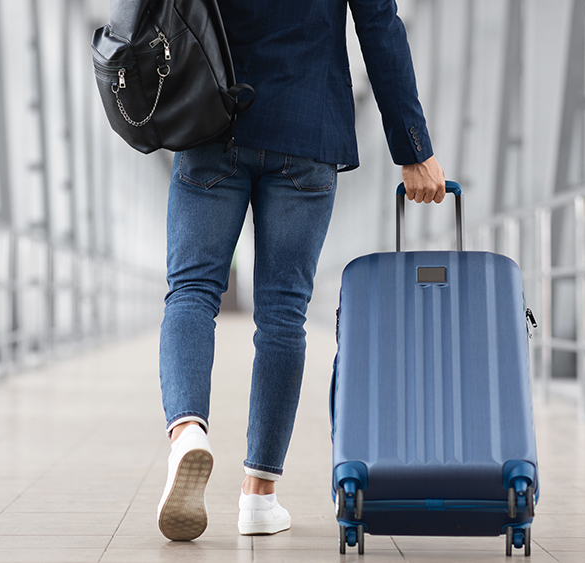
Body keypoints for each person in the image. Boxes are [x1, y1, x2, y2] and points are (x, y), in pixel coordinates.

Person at [156, 0, 446, 541]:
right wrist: (413, 149)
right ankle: (258, 497)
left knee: (192, 291)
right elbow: (379, 25)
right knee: (283, 313)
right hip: (308, 127)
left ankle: (188, 433)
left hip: (213, 118)